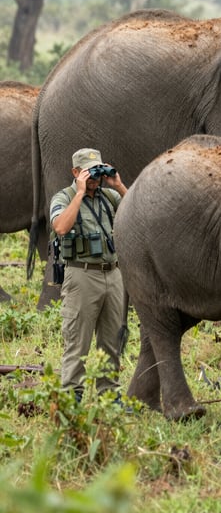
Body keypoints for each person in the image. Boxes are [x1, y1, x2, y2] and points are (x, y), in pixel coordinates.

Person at [50, 148, 128, 400]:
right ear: (75, 172)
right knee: (78, 342)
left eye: (97, 171)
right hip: (81, 275)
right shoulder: (64, 197)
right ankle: (72, 397)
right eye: (88, 172)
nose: (94, 177)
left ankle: (109, 396)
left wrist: (119, 185)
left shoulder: (109, 197)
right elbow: (61, 227)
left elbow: (136, 212)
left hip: (113, 275)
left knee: (112, 342)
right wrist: (80, 193)